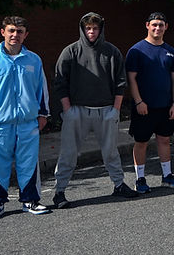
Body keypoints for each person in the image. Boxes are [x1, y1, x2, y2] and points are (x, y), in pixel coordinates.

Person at [51, 12, 137, 210]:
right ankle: (59, 191)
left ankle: (118, 185)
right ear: (82, 29)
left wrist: (115, 110)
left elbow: (120, 83)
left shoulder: (111, 51)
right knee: (68, 153)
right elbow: (60, 81)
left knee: (110, 152)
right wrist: (67, 109)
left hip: (105, 110)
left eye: (95, 28)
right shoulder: (70, 51)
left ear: (101, 29)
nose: (91, 32)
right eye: (88, 28)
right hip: (77, 111)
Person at [0, 16, 51, 220]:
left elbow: (41, 89)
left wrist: (43, 114)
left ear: (26, 34)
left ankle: (30, 200)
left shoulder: (34, 60)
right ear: (3, 32)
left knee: (29, 162)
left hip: (28, 122)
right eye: (11, 30)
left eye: (19, 31)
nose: (15, 35)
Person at [126, 12, 174, 192]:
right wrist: (138, 102)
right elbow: (131, 79)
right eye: (154, 25)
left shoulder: (171, 52)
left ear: (166, 27)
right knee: (141, 142)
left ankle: (167, 176)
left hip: (166, 106)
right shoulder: (136, 51)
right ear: (147, 26)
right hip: (143, 107)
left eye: (161, 25)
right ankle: (140, 179)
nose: (157, 28)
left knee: (164, 140)